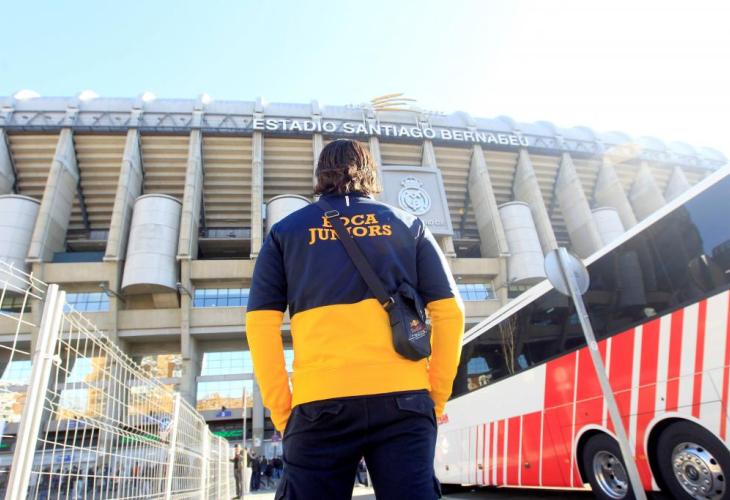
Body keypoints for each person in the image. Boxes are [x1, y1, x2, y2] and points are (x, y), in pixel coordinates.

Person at [246, 139, 465, 499]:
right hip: (405, 399)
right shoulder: (409, 225)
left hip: (319, 403)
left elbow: (260, 325)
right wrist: (434, 397)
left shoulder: (285, 232)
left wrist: (284, 412)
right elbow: (450, 313)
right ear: (371, 173)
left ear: (320, 175)